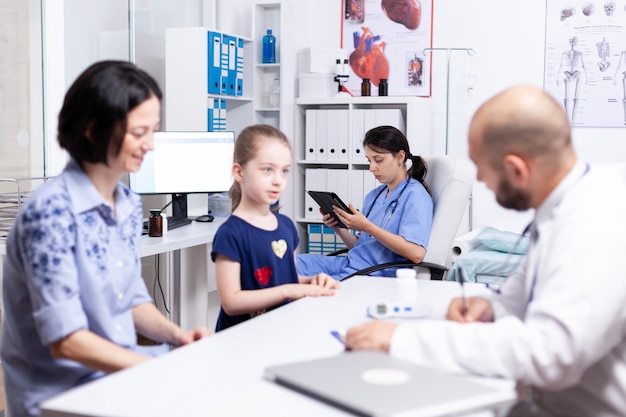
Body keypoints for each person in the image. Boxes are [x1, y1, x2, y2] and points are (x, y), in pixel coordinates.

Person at [345, 85, 626, 416]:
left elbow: (550, 356)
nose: (478, 178)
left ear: (517, 169)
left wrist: (402, 340)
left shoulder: (595, 222)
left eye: (481, 167)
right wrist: (492, 305)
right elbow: (525, 292)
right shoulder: (565, 202)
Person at [1, 60, 211, 417]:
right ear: (93, 130)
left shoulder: (128, 204)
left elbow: (130, 299)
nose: (150, 146)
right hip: (60, 392)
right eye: (139, 132)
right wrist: (154, 369)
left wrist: (177, 337)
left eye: (153, 131)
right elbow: (66, 341)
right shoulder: (51, 213)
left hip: (116, 375)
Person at [211, 124, 339, 332]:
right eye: (267, 169)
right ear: (239, 172)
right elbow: (231, 302)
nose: (278, 180)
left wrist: (309, 283)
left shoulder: (286, 226)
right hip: (241, 340)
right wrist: (288, 291)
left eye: (285, 171)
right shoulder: (231, 233)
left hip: (281, 331)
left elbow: (285, 278)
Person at [297, 125, 433, 281]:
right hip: (349, 264)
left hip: (374, 274)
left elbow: (416, 254)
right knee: (293, 264)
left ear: (400, 157)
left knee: (313, 286)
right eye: (369, 160)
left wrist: (367, 226)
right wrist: (337, 227)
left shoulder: (415, 196)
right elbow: (361, 248)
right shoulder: (374, 196)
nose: (372, 168)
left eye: (378, 160)